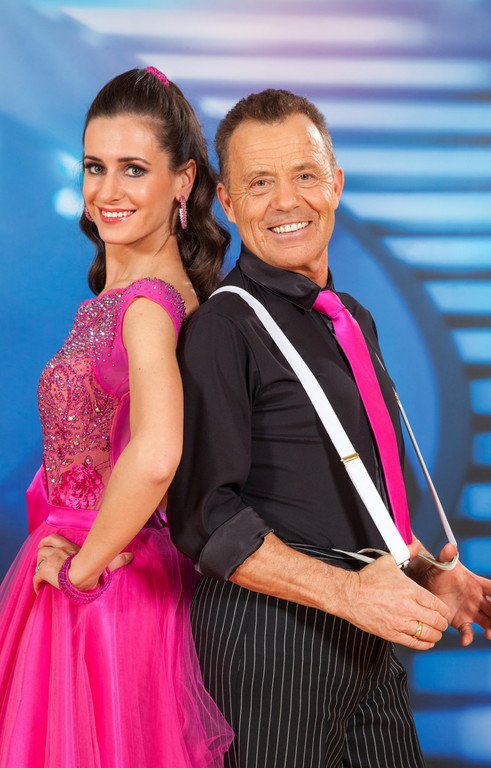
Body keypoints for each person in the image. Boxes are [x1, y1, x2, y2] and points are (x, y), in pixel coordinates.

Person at [168, 89, 491, 768]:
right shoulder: (222, 328)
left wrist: (423, 570)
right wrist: (348, 594)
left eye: (304, 175)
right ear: (228, 202)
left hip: (368, 632)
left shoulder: (350, 318)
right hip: (270, 642)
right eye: (259, 183)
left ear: (336, 183)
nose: (286, 201)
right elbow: (207, 519)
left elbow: (347, 495)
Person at [0, 67, 233, 768]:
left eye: (134, 169)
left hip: (105, 587)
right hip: (107, 571)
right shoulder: (136, 295)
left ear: (183, 181)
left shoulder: (148, 306)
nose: (106, 191)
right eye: (94, 167)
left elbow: (158, 455)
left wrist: (84, 570)